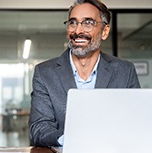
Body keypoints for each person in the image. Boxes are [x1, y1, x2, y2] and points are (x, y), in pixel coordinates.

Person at [28, 0, 141, 147]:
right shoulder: (45, 73)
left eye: (88, 23)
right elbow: (38, 128)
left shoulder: (124, 71)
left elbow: (136, 121)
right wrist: (70, 140)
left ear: (105, 31)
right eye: (73, 23)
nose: (78, 31)